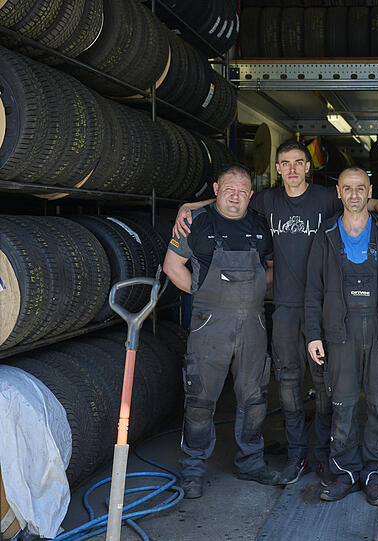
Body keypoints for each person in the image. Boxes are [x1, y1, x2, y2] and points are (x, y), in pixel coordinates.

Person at [173, 140, 378, 487]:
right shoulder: (265, 201)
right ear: (278, 169)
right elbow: (233, 198)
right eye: (285, 163)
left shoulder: (328, 198)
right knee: (288, 382)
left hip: (326, 308)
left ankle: (325, 453)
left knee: (327, 383)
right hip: (282, 308)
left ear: (308, 167)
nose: (293, 169)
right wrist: (188, 207)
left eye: (299, 162)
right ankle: (298, 452)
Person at [304, 167, 378, 506]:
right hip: (340, 332)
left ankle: (376, 476)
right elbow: (313, 291)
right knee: (343, 406)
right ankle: (345, 474)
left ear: (371, 192)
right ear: (338, 193)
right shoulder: (325, 234)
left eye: (360, 188)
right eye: (347, 188)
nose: (354, 194)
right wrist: (314, 334)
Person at [163, 164, 274, 499]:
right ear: (216, 188)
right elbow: (172, 266)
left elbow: (271, 269)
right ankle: (194, 469)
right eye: (229, 189)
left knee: (253, 398)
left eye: (242, 191)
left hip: (253, 322)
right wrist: (203, 293)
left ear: (250, 195)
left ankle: (251, 462)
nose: (235, 196)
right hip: (211, 323)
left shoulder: (259, 224)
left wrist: (253, 293)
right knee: (200, 398)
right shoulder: (195, 222)